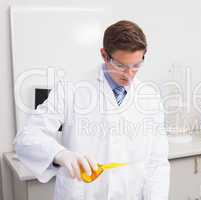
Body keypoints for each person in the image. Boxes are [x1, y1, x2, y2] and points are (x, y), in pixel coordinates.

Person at [14, 20, 170, 200]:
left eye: (136, 65)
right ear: (104, 55)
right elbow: (26, 138)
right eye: (121, 66)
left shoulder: (149, 97)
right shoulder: (71, 88)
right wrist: (61, 154)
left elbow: (157, 163)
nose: (129, 75)